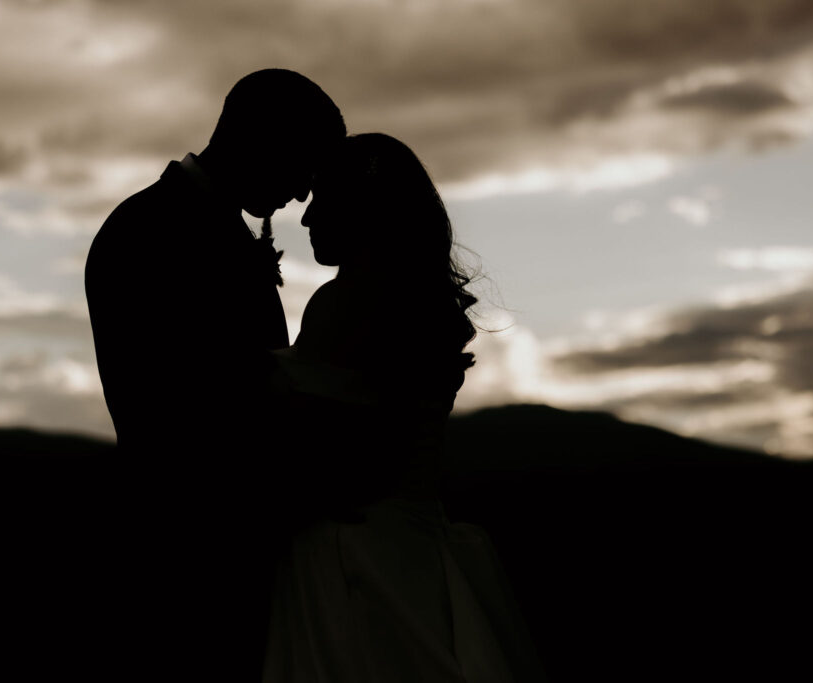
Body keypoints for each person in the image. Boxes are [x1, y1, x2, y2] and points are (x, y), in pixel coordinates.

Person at [83, 69, 345, 682]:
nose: (306, 193)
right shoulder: (153, 230)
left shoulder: (199, 223)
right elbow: (187, 408)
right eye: (305, 165)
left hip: (222, 545)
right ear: (263, 139)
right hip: (192, 550)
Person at [261, 133, 548, 682]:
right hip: (417, 545)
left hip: (353, 556)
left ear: (361, 209)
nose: (306, 218)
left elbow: (312, 447)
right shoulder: (421, 306)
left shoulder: (343, 304)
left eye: (323, 199)